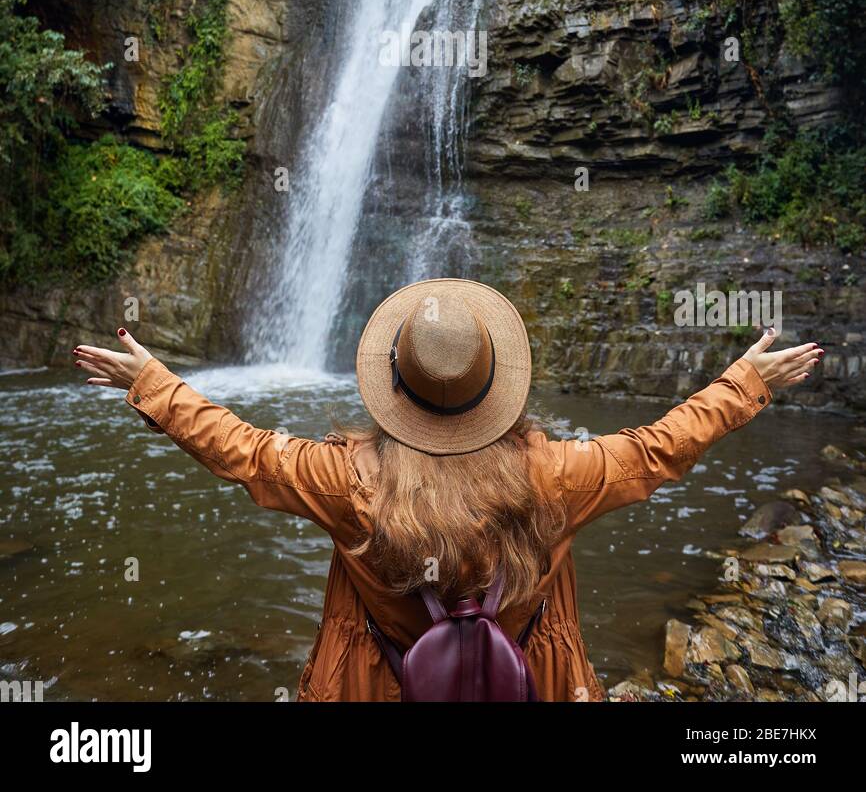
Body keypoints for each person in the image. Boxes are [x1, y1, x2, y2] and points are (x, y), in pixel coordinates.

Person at [73, 277, 820, 702]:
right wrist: (744, 381)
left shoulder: (345, 480)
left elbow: (244, 452)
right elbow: (657, 450)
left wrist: (154, 385)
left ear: (392, 385)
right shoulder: (554, 475)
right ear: (495, 385)